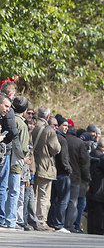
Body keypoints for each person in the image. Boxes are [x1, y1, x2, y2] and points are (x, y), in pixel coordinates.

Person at [32, 105, 61, 230]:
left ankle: (30, 219)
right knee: (44, 196)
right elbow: (56, 149)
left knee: (32, 194)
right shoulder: (49, 130)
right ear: (48, 116)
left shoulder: (32, 127)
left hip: (31, 165)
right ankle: (41, 221)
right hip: (45, 166)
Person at [4, 96, 30, 230]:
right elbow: (23, 146)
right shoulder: (22, 124)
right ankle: (10, 220)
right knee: (14, 191)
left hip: (6, 158)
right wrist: (25, 156)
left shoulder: (8, 118)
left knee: (4, 189)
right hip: (16, 161)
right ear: (25, 110)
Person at [47, 114, 72, 233]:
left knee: (54, 200)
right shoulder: (61, 139)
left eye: (67, 125)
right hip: (62, 174)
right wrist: (68, 170)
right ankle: (58, 224)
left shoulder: (54, 137)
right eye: (64, 125)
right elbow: (63, 159)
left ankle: (52, 222)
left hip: (54, 173)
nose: (66, 128)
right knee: (62, 200)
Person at [64, 118, 89, 233]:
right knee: (72, 202)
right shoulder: (79, 143)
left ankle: (57, 222)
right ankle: (69, 225)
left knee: (60, 200)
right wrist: (87, 178)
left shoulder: (60, 138)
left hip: (60, 175)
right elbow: (84, 162)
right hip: (75, 177)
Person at [0, 83, 19, 228]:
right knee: (4, 187)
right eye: (6, 106)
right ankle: (3, 219)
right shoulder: (9, 114)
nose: (7, 109)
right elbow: (13, 133)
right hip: (4, 152)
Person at [87, 137, 104, 235]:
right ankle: (98, 231)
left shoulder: (91, 154)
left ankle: (91, 230)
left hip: (90, 188)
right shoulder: (103, 158)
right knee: (99, 213)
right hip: (100, 190)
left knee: (91, 212)